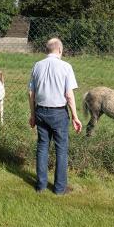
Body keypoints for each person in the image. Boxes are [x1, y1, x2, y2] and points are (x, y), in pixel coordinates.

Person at [28, 37, 82, 195]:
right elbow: (69, 95)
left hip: (40, 112)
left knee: (42, 147)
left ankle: (41, 186)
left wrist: (32, 115)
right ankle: (59, 189)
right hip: (59, 113)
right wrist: (75, 117)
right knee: (61, 149)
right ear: (60, 50)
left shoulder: (37, 66)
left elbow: (31, 93)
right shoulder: (66, 67)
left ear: (47, 50)